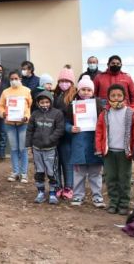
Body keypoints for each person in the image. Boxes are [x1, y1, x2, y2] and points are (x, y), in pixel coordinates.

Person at [95, 84, 134, 215]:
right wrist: (99, 148)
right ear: (108, 97)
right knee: (110, 178)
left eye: (119, 95)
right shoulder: (105, 113)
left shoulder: (131, 113)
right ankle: (113, 202)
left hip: (124, 153)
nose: (116, 98)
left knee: (124, 178)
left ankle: (124, 204)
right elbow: (99, 132)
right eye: (113, 95)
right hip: (109, 152)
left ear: (124, 97)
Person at [67, 75, 105, 208]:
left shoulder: (99, 105)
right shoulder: (72, 105)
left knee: (95, 174)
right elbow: (65, 123)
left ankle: (97, 197)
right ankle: (78, 196)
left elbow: (106, 122)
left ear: (93, 92)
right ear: (78, 90)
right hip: (79, 145)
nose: (86, 92)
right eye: (83, 89)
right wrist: (70, 128)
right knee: (79, 174)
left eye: (89, 90)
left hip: (95, 144)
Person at [25, 91, 64, 205]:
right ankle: (41, 192)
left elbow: (60, 129)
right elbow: (30, 130)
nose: (45, 104)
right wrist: (29, 145)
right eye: (42, 102)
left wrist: (50, 139)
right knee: (39, 172)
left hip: (51, 149)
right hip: (37, 149)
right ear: (38, 103)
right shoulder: (35, 114)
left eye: (47, 102)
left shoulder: (57, 114)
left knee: (52, 172)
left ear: (51, 102)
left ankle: (52, 193)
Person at [0, 70, 32, 183]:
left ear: (20, 79)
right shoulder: (6, 92)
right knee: (14, 148)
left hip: (23, 124)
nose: (14, 80)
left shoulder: (27, 91)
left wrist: (26, 116)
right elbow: (0, 106)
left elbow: (28, 106)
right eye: (11, 79)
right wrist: (2, 113)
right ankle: (15, 172)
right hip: (10, 124)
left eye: (16, 78)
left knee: (23, 149)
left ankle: (24, 173)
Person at [53, 65, 77, 199]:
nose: (63, 83)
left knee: (67, 161)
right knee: (56, 162)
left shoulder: (75, 96)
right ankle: (57, 186)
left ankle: (69, 187)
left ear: (72, 83)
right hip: (55, 134)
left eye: (66, 81)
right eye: (61, 81)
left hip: (68, 134)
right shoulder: (55, 95)